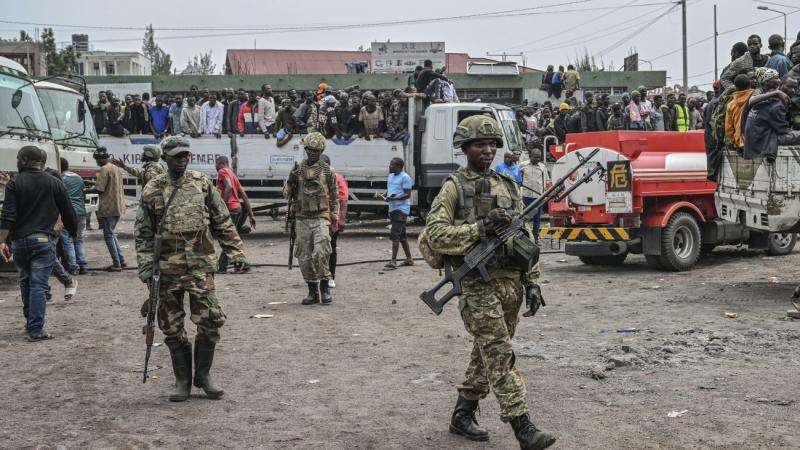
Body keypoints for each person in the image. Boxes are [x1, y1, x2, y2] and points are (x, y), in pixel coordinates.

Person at [424, 115, 554, 449]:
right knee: (499, 353)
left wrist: (533, 283)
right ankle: (523, 426)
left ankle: (462, 413)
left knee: (486, 352)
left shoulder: (508, 185)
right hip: (476, 284)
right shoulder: (454, 186)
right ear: (464, 147)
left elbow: (524, 238)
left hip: (510, 284)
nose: (488, 150)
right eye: (480, 144)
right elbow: (435, 234)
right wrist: (479, 228)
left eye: (492, 144)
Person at [135, 136, 248, 402]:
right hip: (167, 269)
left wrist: (236, 253)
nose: (182, 159)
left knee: (210, 321)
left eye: (186, 154)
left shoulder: (201, 183)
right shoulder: (152, 189)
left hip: (199, 266)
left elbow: (222, 221)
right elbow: (142, 233)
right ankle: (183, 380)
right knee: (172, 327)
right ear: (165, 158)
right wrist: (145, 269)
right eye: (176, 155)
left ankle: (204, 376)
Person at [0, 146, 78, 341]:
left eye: (19, 158)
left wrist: (2, 240)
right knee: (38, 285)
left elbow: (8, 215)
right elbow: (68, 211)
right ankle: (36, 329)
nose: (17, 161)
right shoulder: (54, 183)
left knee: (26, 282)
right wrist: (74, 233)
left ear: (25, 160)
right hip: (44, 241)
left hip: (19, 243)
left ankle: (30, 324)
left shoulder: (15, 183)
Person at [283, 132, 339, 305]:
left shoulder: (328, 171)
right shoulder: (296, 170)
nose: (313, 153)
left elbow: (335, 195)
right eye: (310, 150)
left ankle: (324, 287)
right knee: (304, 256)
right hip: (302, 218)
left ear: (321, 150)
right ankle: (312, 290)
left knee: (322, 251)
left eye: (316, 150)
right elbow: (286, 195)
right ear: (305, 150)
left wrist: (335, 216)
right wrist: (291, 182)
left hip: (321, 216)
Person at [743, 68, 800, 161]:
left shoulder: (768, 96)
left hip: (755, 136)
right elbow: (782, 130)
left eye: (795, 87)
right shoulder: (774, 101)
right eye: (789, 87)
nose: (793, 90)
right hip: (762, 139)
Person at [214, 155, 255, 273]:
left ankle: (229, 265)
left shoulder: (222, 171)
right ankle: (232, 265)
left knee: (226, 238)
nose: (216, 168)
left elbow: (228, 187)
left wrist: (223, 206)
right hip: (238, 209)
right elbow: (244, 196)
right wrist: (251, 215)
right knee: (231, 238)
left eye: (216, 165)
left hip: (231, 209)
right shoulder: (233, 175)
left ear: (220, 163)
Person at [92, 147, 126, 271]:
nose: (96, 162)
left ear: (101, 159)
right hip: (118, 205)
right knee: (112, 234)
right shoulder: (116, 167)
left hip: (108, 207)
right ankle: (121, 260)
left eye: (97, 160)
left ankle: (117, 264)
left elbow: (99, 189)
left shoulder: (104, 169)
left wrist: (86, 189)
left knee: (108, 236)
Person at [320, 154, 348, 288]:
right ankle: (321, 276)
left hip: (332, 220)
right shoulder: (314, 177)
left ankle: (331, 276)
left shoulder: (337, 178)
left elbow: (343, 200)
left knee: (331, 249)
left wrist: (341, 220)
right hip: (318, 219)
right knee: (319, 249)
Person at [381, 157, 413, 271]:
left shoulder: (405, 177)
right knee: (402, 236)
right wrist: (385, 196)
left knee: (395, 235)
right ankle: (409, 259)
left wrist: (394, 199)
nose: (390, 166)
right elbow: (390, 189)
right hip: (393, 208)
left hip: (401, 209)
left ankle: (393, 261)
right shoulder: (391, 176)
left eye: (392, 165)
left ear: (399, 166)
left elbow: (407, 195)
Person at [59, 157, 88, 275]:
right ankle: (83, 265)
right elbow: (83, 194)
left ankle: (73, 267)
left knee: (67, 240)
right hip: (81, 212)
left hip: (68, 213)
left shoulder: (60, 178)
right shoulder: (78, 177)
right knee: (79, 239)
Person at [519, 148, 549, 243]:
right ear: (530, 156)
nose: (537, 159)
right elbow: (518, 179)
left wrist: (545, 194)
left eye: (539, 157)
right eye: (535, 157)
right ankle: (524, 238)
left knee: (537, 218)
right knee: (524, 218)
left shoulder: (542, 167)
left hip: (538, 197)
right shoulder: (522, 165)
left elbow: (546, 181)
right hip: (526, 196)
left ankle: (536, 238)